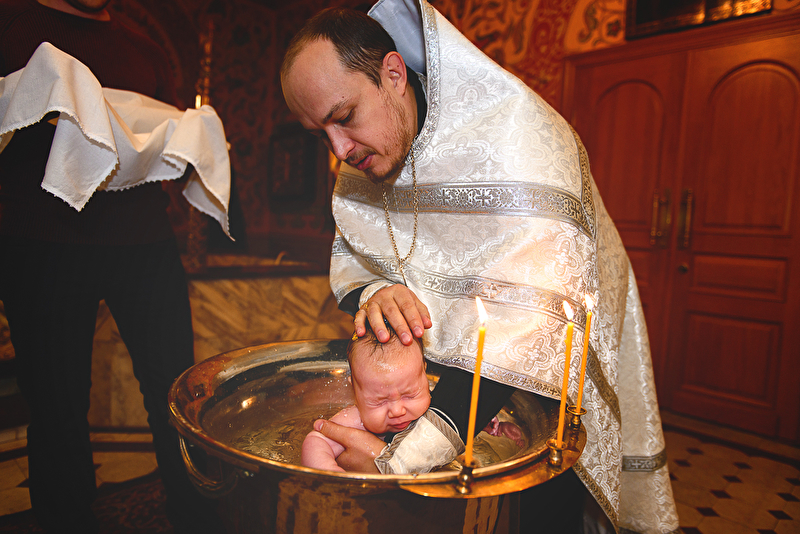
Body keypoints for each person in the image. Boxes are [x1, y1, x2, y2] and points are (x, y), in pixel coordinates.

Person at [281, 2, 679, 533]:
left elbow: (531, 328)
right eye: (320, 134)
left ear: (393, 74)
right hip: (432, 387)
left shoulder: (518, 137)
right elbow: (358, 258)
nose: (339, 151)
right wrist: (377, 291)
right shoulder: (369, 152)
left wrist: (403, 461)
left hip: (542, 383)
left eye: (345, 116)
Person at [0, 0, 225, 532]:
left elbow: (160, 135)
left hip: (144, 237)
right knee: (57, 404)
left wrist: (189, 144)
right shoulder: (11, 23)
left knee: (176, 389)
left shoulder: (144, 47)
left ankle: (195, 518)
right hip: (42, 239)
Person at [302, 323, 432, 472]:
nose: (397, 411)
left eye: (410, 395)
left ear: (425, 374)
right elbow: (316, 441)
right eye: (379, 402)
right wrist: (331, 473)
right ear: (355, 391)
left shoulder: (436, 412)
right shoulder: (356, 420)